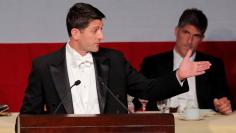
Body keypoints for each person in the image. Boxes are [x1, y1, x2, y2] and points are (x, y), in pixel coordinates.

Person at [20, 3, 211, 114]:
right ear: (76, 33)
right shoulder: (44, 66)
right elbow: (29, 117)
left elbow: (148, 89)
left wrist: (179, 75)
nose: (101, 36)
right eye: (95, 30)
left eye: (101, 29)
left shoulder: (114, 60)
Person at [133, 8, 233, 115]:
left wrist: (222, 105)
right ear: (176, 31)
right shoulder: (152, 64)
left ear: (202, 38)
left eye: (196, 36)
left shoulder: (213, 65)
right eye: (186, 32)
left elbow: (225, 100)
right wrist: (131, 105)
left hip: (201, 124)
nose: (189, 41)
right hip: (164, 125)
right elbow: (137, 98)